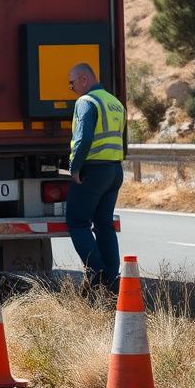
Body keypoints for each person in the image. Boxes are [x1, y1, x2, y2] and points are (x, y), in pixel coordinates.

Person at [66, 63, 126, 292]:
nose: (71, 89)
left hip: (94, 171)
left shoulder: (86, 102)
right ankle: (112, 281)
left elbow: (83, 139)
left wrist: (75, 168)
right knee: (104, 224)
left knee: (77, 221)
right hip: (114, 170)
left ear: (83, 79)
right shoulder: (115, 103)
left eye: (72, 83)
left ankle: (98, 274)